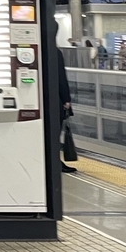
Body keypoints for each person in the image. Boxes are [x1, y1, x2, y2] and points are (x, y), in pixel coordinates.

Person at [54, 23, 76, 174]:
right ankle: (56, 161)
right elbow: (61, 78)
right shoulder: (55, 53)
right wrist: (66, 99)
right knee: (55, 133)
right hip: (55, 102)